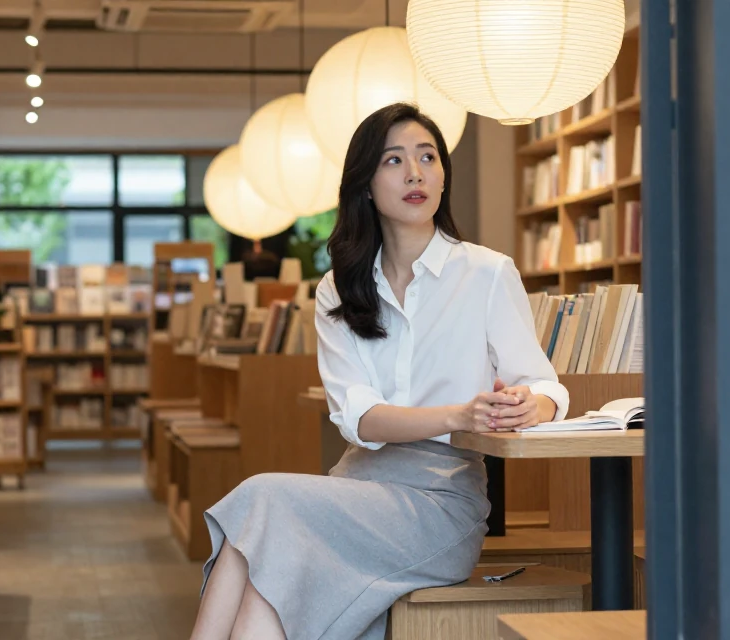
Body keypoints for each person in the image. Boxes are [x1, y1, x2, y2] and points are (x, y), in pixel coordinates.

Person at [190, 103, 569, 640]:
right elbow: (359, 418)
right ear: (366, 184)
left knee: (260, 503)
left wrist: (536, 404)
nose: (415, 172)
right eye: (394, 160)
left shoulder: (487, 273)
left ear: (443, 176)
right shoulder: (337, 290)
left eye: (427, 157)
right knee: (264, 575)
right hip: (357, 487)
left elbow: (542, 381)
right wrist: (458, 413)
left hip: (442, 503)